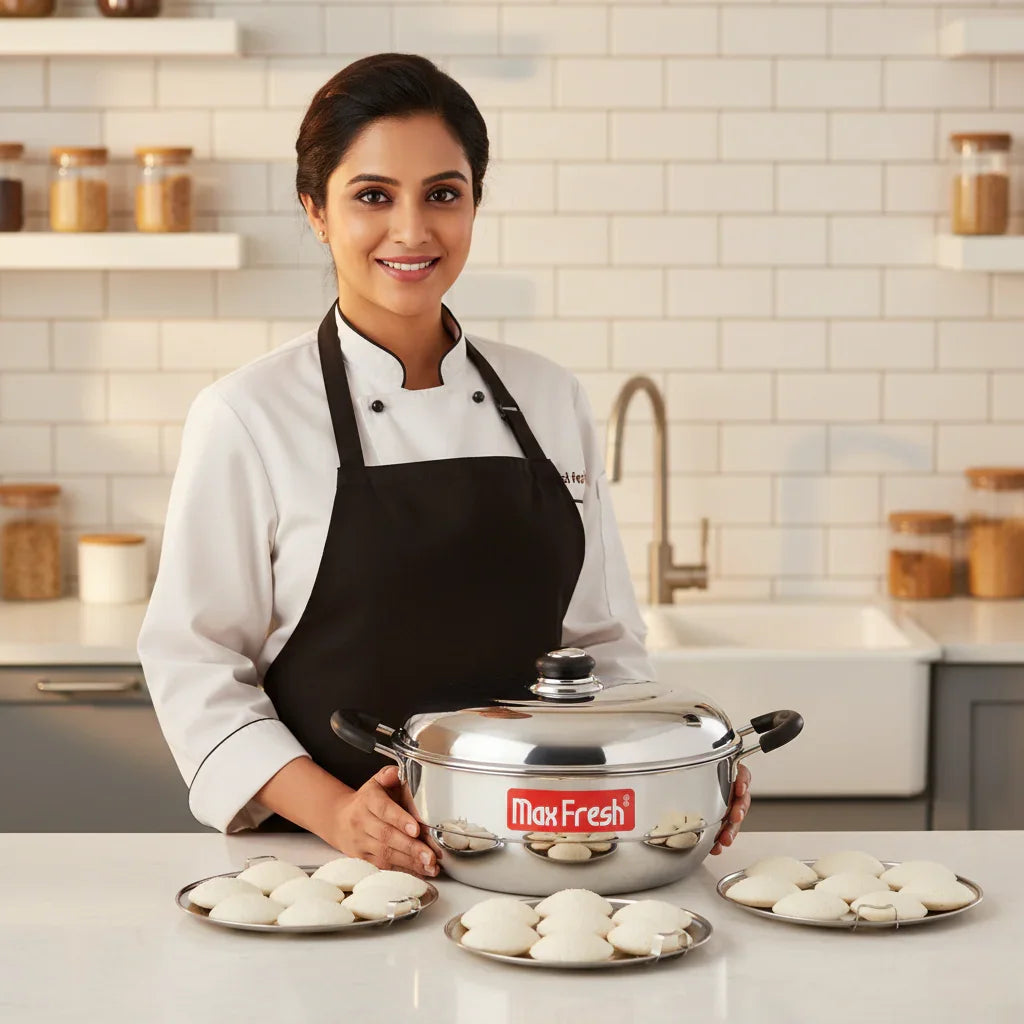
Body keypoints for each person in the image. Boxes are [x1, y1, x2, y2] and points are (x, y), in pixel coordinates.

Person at [137, 52, 750, 879]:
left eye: (443, 194)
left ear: (474, 204)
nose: (413, 231)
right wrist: (340, 816)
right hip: (326, 872)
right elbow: (196, 663)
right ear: (315, 211)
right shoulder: (248, 415)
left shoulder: (549, 397)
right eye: (372, 196)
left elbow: (600, 649)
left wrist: (661, 778)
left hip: (539, 859)